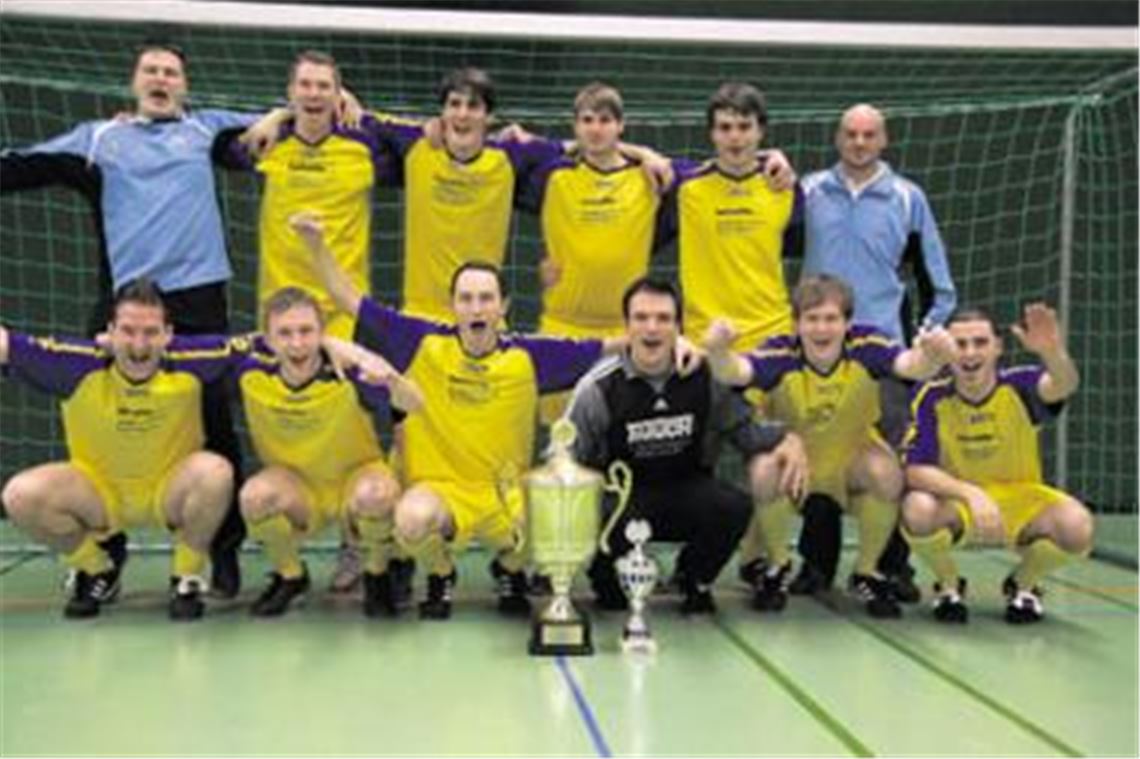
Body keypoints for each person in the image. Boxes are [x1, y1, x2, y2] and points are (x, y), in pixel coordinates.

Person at [0, 42, 265, 597]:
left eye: (171, 72)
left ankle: (222, 550)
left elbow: (286, 123)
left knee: (215, 421)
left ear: (185, 86)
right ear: (134, 81)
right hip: (125, 305)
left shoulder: (208, 130)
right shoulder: (98, 138)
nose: (161, 79)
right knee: (99, 424)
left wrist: (325, 102)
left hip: (197, 299)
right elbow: (23, 166)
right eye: (151, 70)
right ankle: (105, 558)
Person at [292, 212, 643, 620]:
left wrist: (667, 342)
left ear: (503, 306)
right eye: (466, 298)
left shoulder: (528, 356)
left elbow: (605, 347)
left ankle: (509, 569)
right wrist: (315, 245)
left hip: (504, 494)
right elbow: (349, 300)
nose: (476, 308)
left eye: (486, 298)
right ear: (453, 306)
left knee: (557, 518)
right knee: (411, 520)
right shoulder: (420, 342)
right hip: (440, 491)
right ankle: (440, 574)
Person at [220, 50, 401, 595]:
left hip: (341, 314)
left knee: (352, 428)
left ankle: (357, 542)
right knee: (287, 426)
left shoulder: (362, 146)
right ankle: (288, 558)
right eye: (305, 85)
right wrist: (274, 117)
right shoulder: (270, 143)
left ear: (338, 93)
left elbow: (416, 146)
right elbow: (224, 148)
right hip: (280, 315)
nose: (314, 94)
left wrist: (364, 114)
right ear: (291, 91)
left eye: (325, 85)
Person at [704, 274, 956, 617]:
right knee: (763, 469)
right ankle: (777, 567)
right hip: (796, 464)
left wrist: (934, 356)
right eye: (812, 319)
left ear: (847, 323)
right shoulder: (780, 352)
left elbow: (911, 365)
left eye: (831, 319)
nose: (821, 328)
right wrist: (717, 350)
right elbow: (734, 372)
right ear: (797, 324)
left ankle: (866, 572)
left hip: (850, 461)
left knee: (886, 472)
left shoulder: (867, 346)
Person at [790, 103, 959, 601]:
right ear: (837, 138)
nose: (859, 143)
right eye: (851, 134)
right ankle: (815, 565)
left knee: (890, 463)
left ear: (883, 140)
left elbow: (939, 286)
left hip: (884, 360)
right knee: (820, 456)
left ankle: (891, 565)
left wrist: (923, 339)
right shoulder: (808, 192)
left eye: (869, 134)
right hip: (818, 356)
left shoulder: (908, 198)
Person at [567, 277, 808, 614]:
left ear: (678, 327)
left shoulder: (704, 377)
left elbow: (748, 432)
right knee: (614, 595)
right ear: (627, 326)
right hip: (622, 502)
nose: (652, 328)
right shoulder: (598, 387)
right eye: (641, 318)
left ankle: (693, 577)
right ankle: (607, 579)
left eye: (663, 318)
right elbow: (567, 460)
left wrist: (788, 438)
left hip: (686, 489)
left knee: (732, 506)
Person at [0, 280, 235, 620]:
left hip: (169, 492)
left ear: (168, 335)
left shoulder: (193, 360)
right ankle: (97, 569)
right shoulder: (75, 365)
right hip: (97, 496)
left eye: (151, 332)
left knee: (215, 473)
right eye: (128, 331)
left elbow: (267, 344)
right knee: (20, 495)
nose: (139, 345)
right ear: (109, 332)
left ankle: (187, 575)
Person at [236, 287, 422, 618]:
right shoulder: (247, 368)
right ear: (268, 339)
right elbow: (184, 348)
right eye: (285, 333)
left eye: (306, 331)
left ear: (322, 333)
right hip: (298, 488)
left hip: (356, 480)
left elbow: (415, 403)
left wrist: (388, 377)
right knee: (254, 497)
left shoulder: (348, 371)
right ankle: (291, 576)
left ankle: (377, 574)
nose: (297, 343)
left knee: (377, 494)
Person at [901, 304, 1091, 624]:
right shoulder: (931, 397)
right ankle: (948, 585)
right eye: (960, 344)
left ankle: (1023, 585)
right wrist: (971, 494)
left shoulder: (1021, 385)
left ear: (998, 347)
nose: (970, 353)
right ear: (947, 350)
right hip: (960, 504)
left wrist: (1052, 351)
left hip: (1021, 500)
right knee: (916, 508)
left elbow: (1063, 384)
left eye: (980, 342)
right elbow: (915, 470)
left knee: (1077, 525)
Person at [368, 66, 565, 322]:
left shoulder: (510, 156)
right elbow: (360, 119)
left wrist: (531, 138)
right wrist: (344, 98)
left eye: (473, 106)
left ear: (488, 117)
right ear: (442, 113)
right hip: (421, 316)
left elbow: (584, 149)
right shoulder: (416, 146)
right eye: (454, 104)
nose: (462, 114)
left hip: (483, 317)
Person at [659, 81, 801, 354]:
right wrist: (643, 154)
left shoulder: (785, 186)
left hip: (772, 336)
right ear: (712, 134)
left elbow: (795, 251)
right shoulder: (684, 185)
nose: (735, 137)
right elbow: (605, 148)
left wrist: (773, 157)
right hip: (705, 339)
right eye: (725, 128)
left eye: (745, 127)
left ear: (761, 131)